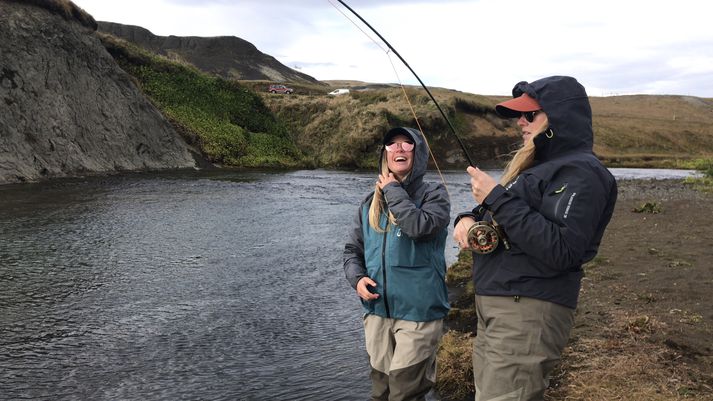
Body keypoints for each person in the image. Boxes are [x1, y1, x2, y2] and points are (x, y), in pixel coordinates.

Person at [453, 76, 618, 401]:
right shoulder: (539, 168)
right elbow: (498, 212)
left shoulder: (582, 172)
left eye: (531, 115)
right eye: (520, 115)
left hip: (527, 312)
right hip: (497, 306)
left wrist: (497, 197)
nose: (521, 122)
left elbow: (562, 249)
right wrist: (468, 218)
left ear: (558, 117)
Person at [343, 126, 451, 401]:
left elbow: (419, 226)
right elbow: (352, 250)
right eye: (392, 144)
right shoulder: (369, 204)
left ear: (419, 153)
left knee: (406, 393)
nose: (399, 149)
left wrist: (391, 189)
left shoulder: (434, 195)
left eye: (407, 144)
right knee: (381, 392)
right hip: (377, 311)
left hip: (419, 313)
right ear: (385, 154)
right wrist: (357, 279)